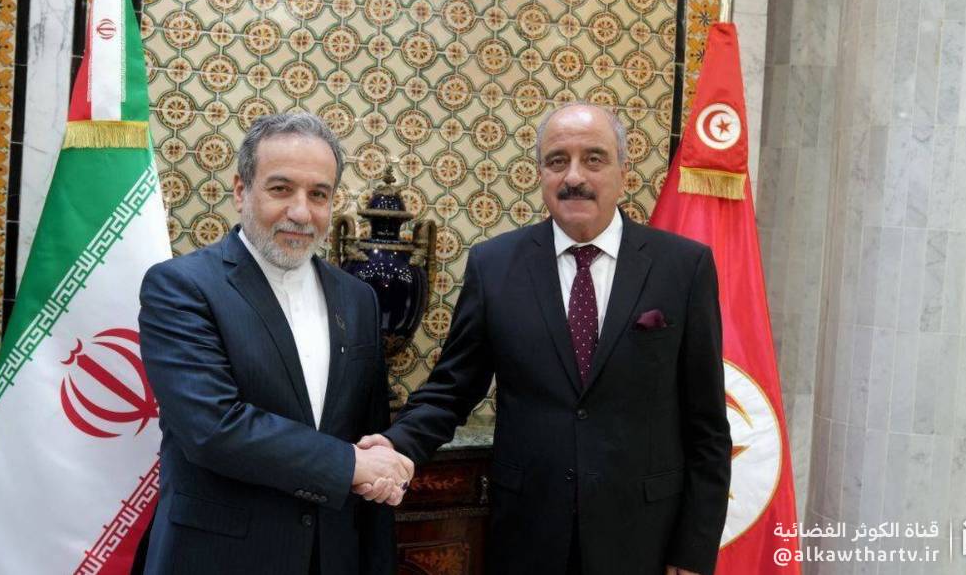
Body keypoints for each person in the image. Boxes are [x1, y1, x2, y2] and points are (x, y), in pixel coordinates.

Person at [361, 103, 732, 574]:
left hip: (643, 539)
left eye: (593, 159)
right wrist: (394, 445)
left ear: (624, 171)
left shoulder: (683, 267)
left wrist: (693, 552)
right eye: (557, 161)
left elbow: (707, 426)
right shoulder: (495, 266)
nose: (574, 176)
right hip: (529, 535)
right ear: (541, 174)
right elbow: (451, 390)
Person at [138, 113, 410, 574]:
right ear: (241, 190)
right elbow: (212, 427)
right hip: (218, 559)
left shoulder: (358, 298)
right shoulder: (181, 287)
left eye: (318, 194)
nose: (301, 212)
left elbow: (368, 430)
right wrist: (348, 465)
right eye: (281, 189)